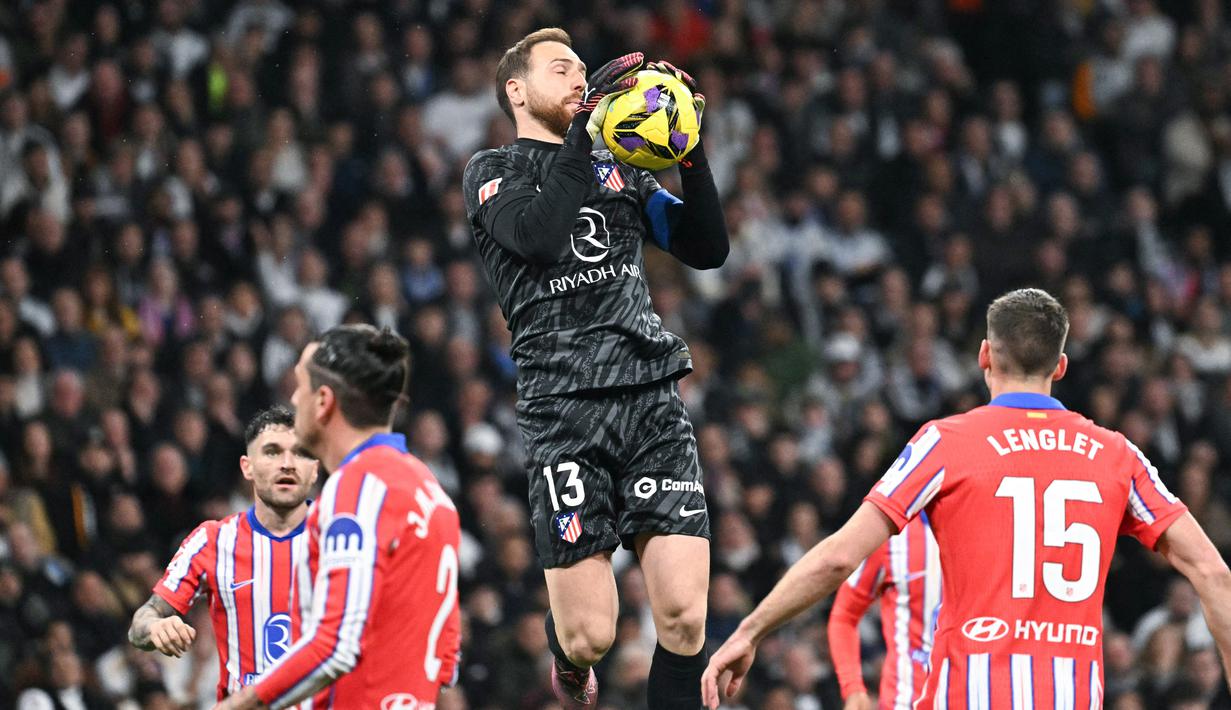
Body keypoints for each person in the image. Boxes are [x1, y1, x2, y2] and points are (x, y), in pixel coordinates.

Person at [703, 288, 1231, 708]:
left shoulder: (945, 443)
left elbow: (841, 556)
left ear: (984, 355)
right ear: (1061, 365)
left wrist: (750, 630)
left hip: (968, 693)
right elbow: (1214, 574)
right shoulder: (1117, 454)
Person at [462, 27, 729, 709]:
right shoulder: (492, 172)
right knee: (590, 636)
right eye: (561, 69)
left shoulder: (623, 171)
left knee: (683, 616)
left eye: (583, 70)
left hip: (649, 398)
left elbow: (705, 248)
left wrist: (688, 149)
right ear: (516, 91)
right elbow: (540, 237)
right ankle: (568, 660)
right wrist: (582, 141)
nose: (579, 80)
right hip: (563, 410)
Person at [216, 324, 461, 709]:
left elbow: (335, 646)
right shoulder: (427, 488)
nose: (294, 398)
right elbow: (448, 659)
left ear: (323, 400)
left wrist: (240, 703)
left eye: (300, 385)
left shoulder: (360, 489)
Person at [128, 406, 318, 698]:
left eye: (299, 453)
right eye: (272, 452)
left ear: (314, 467)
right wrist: (154, 628)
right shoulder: (212, 541)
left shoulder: (343, 539)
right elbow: (141, 623)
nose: (287, 464)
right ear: (247, 467)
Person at [827, 514, 942, 709]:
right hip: (904, 701)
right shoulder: (892, 538)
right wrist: (853, 689)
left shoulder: (990, 530)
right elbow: (844, 616)